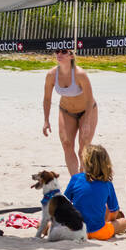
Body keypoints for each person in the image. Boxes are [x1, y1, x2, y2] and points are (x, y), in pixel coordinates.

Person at [42, 48, 98, 176]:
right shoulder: (51, 75)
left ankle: (84, 177)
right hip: (66, 111)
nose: (59, 54)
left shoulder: (80, 74)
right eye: (57, 52)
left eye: (63, 52)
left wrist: (87, 122)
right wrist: (46, 120)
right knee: (67, 145)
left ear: (71, 56)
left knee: (83, 148)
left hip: (87, 111)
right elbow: (47, 98)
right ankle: (75, 180)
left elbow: (89, 100)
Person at [65, 144, 126, 239]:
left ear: (86, 162)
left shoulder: (76, 178)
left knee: (49, 223)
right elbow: (114, 210)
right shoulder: (107, 183)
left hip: (76, 232)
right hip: (99, 232)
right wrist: (109, 221)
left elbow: (64, 203)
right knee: (124, 222)